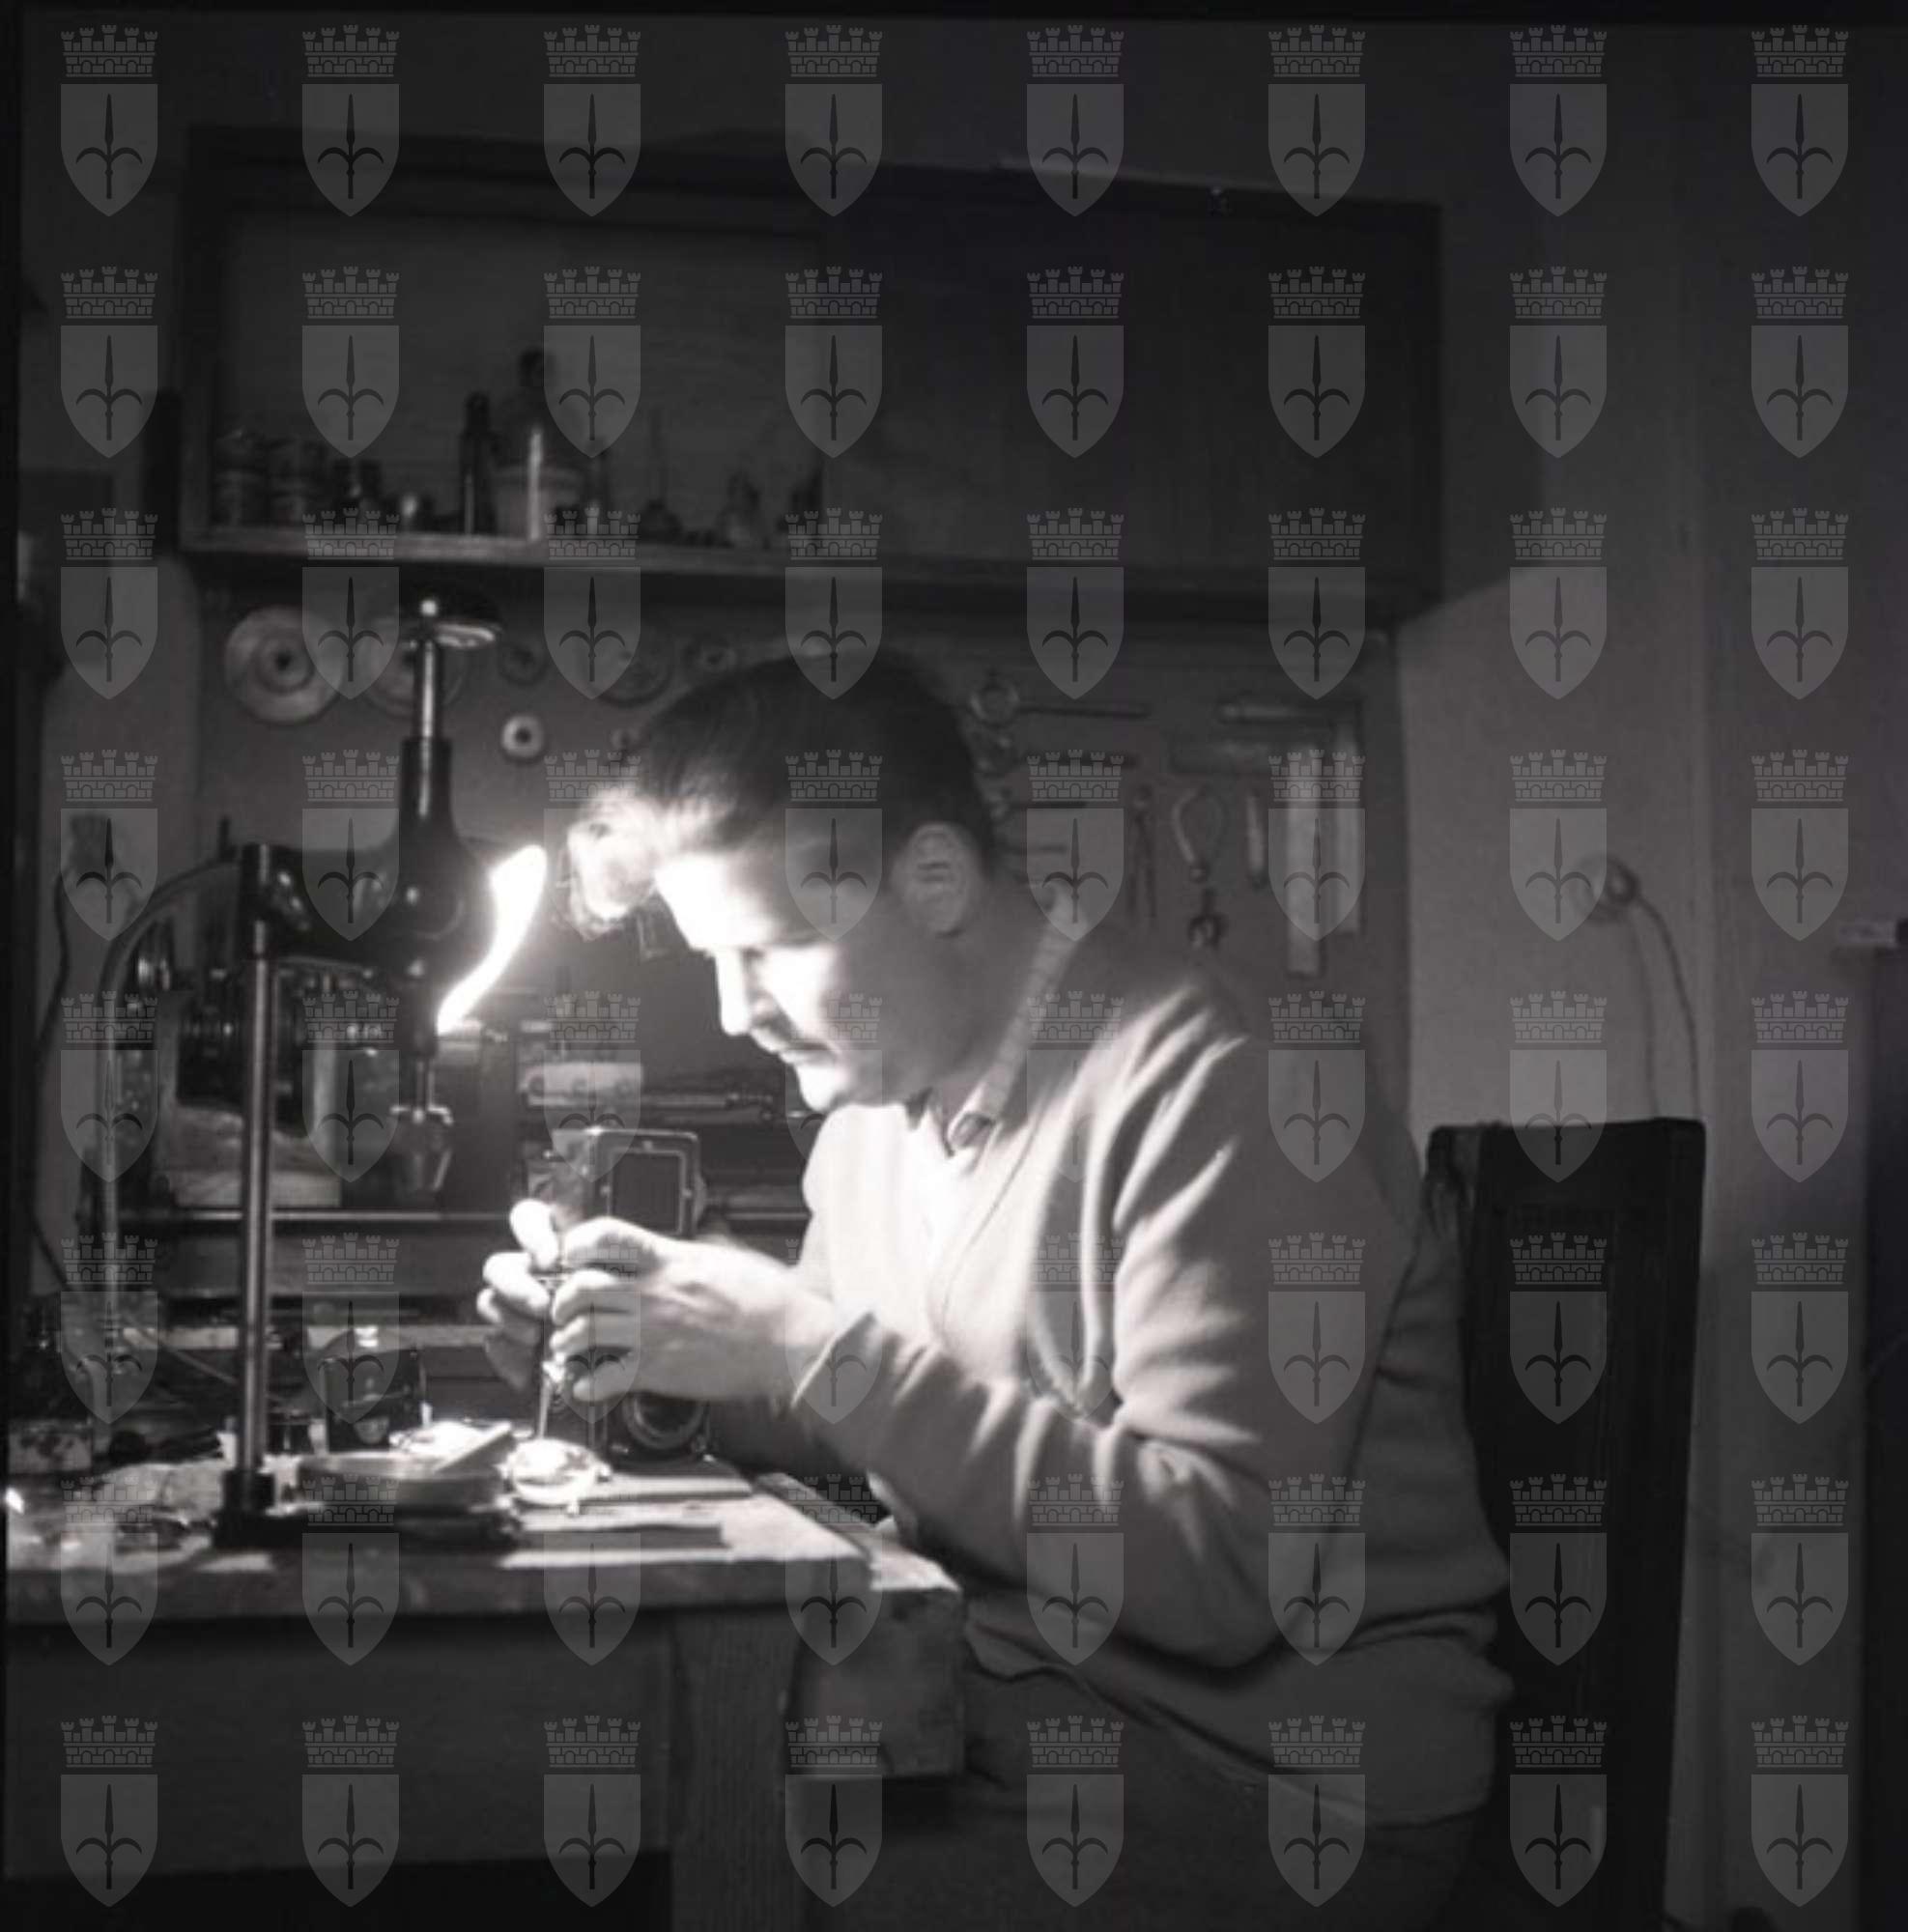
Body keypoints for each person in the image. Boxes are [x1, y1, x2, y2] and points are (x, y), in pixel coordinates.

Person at [477, 652, 1511, 1927]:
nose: (737, 1011)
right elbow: (847, 1415)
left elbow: (1223, 1572)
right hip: (1009, 1699)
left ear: (934, 879)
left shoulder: (1233, 1081)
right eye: (711, 959)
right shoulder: (874, 1113)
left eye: (774, 947)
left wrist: (803, 1345)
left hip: (1277, 1786)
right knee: (580, 1822)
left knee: (672, 1882)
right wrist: (648, 1351)